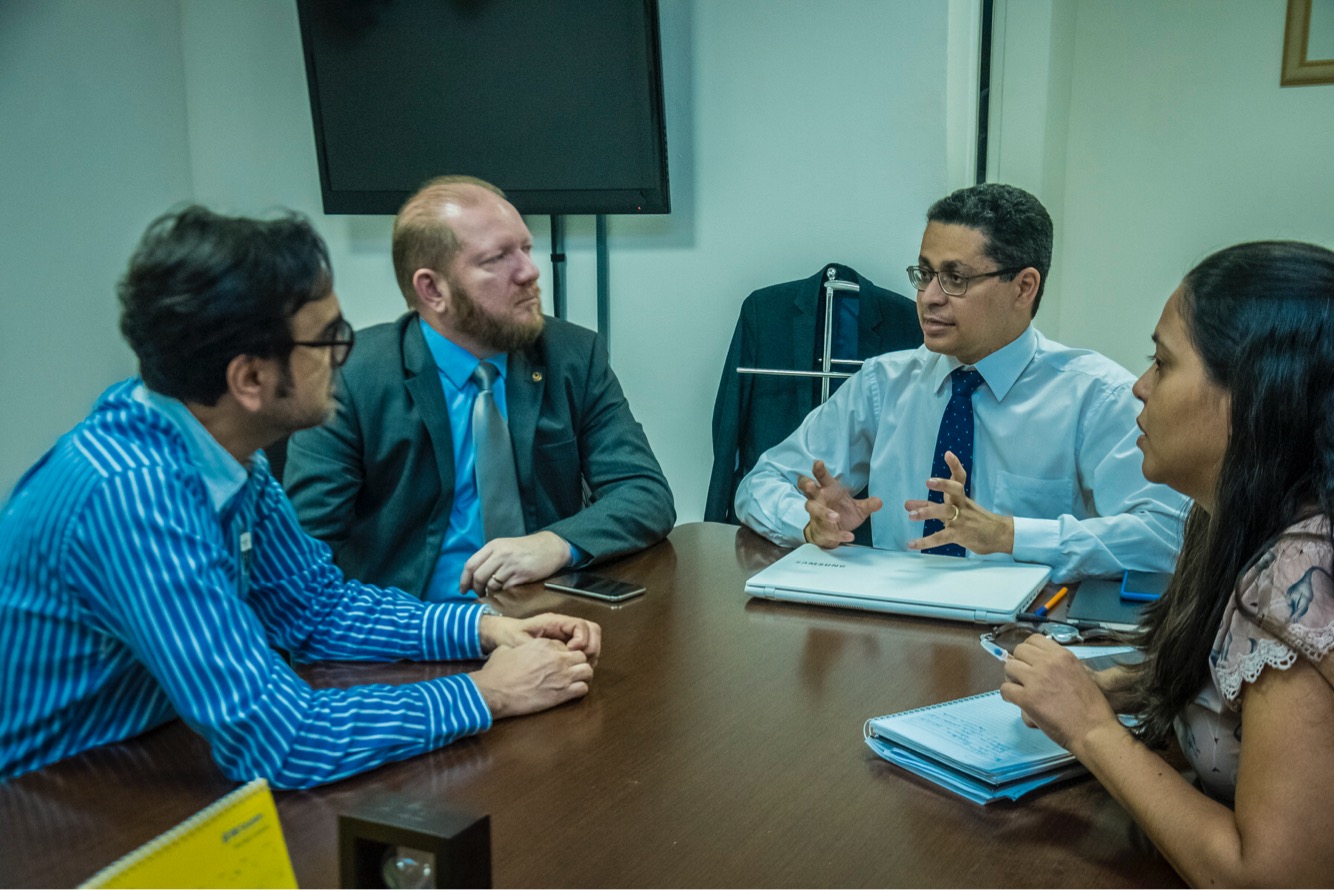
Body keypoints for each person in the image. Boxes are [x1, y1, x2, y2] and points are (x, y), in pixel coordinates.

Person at [0, 206, 600, 789]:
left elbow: (317, 610)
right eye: (329, 341)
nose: (344, 361)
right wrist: (488, 692)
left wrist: (483, 630)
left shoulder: (217, 446)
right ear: (251, 380)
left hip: (144, 761)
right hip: (48, 809)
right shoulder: (133, 497)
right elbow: (281, 739)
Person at [1000, 241, 1334, 885]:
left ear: (1256, 394)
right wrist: (1121, 685)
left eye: (1163, 362)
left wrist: (1091, 728)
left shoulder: (1305, 572)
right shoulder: (1232, 521)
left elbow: (1271, 878)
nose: (1140, 386)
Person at [733, 183, 1187, 581]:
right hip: (896, 633)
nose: (928, 298)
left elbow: (1167, 534)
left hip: (1026, 640)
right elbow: (760, 483)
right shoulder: (883, 384)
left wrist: (1012, 535)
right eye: (924, 274)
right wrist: (812, 522)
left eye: (955, 278)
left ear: (1024, 287)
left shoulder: (1093, 395)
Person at [283, 175, 675, 600]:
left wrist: (556, 543)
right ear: (432, 289)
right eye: (497, 259)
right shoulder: (352, 376)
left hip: (542, 618)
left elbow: (645, 494)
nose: (529, 271)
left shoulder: (572, 355)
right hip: (407, 634)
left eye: (525, 248)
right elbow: (306, 553)